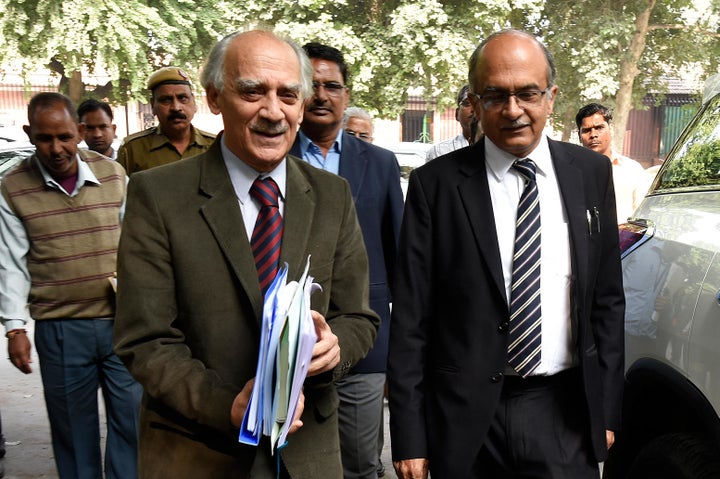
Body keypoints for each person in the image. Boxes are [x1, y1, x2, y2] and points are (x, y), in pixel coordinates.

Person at [112, 29, 380, 479]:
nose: (273, 112)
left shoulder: (333, 196)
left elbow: (359, 318)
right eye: (253, 91)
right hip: (198, 453)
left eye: (288, 95)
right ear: (215, 98)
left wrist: (335, 348)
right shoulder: (156, 195)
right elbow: (145, 338)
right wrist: (229, 407)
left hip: (307, 455)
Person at [387, 29, 625, 479]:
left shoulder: (590, 174)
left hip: (565, 414)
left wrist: (607, 410)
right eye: (495, 95)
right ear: (474, 103)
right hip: (464, 421)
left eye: (528, 93)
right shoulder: (434, 186)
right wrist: (410, 434)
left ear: (551, 97)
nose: (513, 110)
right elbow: (411, 319)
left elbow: (607, 301)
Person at [0, 92, 142, 479]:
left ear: (79, 132)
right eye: (45, 138)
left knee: (132, 426)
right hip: (60, 330)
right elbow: (11, 262)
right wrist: (15, 327)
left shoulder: (114, 176)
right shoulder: (14, 187)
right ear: (30, 134)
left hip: (121, 325)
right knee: (74, 436)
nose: (57, 148)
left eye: (64, 137)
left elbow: (137, 249)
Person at [290, 42, 404, 479]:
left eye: (332, 86)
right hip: (290, 340)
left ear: (346, 92)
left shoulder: (379, 163)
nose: (321, 95)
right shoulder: (275, 154)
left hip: (367, 341)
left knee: (360, 462)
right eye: (312, 85)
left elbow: (399, 259)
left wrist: (402, 356)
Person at [117, 66, 215, 174]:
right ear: (153, 105)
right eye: (166, 100)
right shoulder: (132, 149)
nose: (176, 107)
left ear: (194, 103)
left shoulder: (214, 146)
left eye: (182, 98)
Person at [576, 103, 647, 223]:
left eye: (599, 128)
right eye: (587, 130)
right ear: (579, 135)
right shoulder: (570, 173)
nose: (593, 135)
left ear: (611, 129)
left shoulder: (632, 170)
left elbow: (643, 216)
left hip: (625, 239)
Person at [425, 84, 476, 162]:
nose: (474, 109)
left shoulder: (499, 151)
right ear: (457, 114)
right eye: (467, 103)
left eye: (479, 103)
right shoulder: (439, 153)